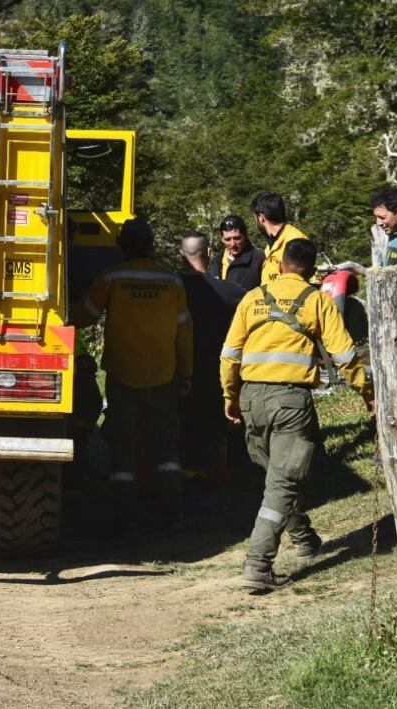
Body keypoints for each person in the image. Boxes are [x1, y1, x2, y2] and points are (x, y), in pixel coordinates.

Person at [221, 239, 372, 591]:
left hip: (250, 398)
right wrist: (368, 394)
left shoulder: (253, 298)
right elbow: (345, 356)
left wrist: (229, 396)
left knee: (277, 478)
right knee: (283, 483)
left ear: (283, 265)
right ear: (311, 270)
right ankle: (258, 566)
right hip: (289, 401)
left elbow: (229, 355)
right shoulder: (317, 300)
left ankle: (304, 539)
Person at [73, 217, 193, 533]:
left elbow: (83, 317)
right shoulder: (172, 282)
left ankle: (124, 521)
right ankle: (174, 516)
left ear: (122, 245)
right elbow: (184, 332)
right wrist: (186, 373)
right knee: (166, 450)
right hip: (163, 376)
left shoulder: (112, 277)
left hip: (122, 377)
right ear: (151, 244)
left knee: (122, 452)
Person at [179, 231, 242, 504]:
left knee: (179, 426)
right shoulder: (230, 292)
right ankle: (216, 485)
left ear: (182, 255)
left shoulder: (171, 287)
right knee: (216, 427)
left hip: (177, 369)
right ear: (209, 252)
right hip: (216, 371)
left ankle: (181, 484)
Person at [250, 192, 310, 286]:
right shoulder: (271, 245)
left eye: (255, 217)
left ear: (261, 218)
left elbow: (311, 281)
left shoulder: (296, 241)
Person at [208, 215, 265, 293]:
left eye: (237, 238)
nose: (233, 244)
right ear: (221, 239)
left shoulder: (259, 258)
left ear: (245, 235)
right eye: (227, 239)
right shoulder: (215, 262)